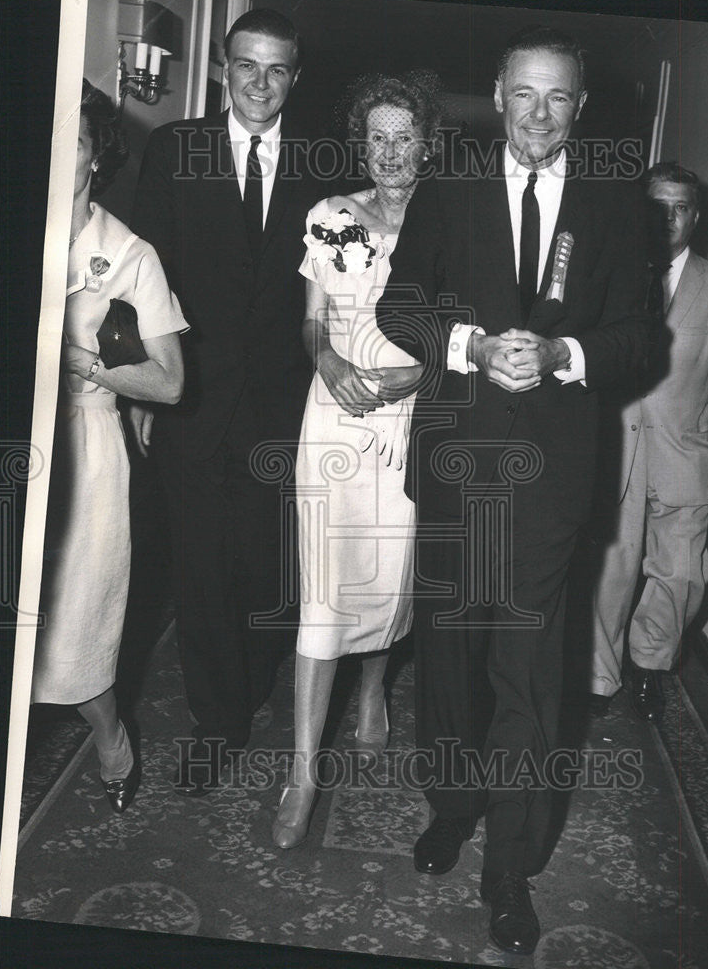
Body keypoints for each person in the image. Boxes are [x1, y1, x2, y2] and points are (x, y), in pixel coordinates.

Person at [376, 27, 648, 954]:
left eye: (558, 99)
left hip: (552, 481)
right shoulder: (447, 188)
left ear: (581, 107)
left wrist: (567, 353)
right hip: (456, 464)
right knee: (450, 658)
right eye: (524, 95)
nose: (540, 115)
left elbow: (641, 338)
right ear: (497, 95)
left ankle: (510, 865)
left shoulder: (618, 206)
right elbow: (400, 302)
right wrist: (471, 348)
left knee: (529, 675)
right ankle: (453, 806)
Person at [131, 9, 320, 795]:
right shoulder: (177, 148)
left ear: (295, 79)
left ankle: (254, 675)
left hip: (285, 404)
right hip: (193, 398)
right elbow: (140, 274)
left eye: (277, 70)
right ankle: (219, 722)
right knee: (202, 566)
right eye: (247, 65)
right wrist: (143, 385)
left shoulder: (323, 160)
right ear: (221, 67)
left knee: (264, 565)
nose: (260, 83)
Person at [271, 74, 439, 848]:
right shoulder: (333, 217)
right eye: (378, 137)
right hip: (333, 417)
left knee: (386, 573)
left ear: (428, 144)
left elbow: (462, 332)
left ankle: (374, 685)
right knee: (325, 582)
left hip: (407, 422)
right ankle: (302, 771)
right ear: (360, 143)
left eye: (405, 136)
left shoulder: (452, 220)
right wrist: (329, 364)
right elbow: (313, 322)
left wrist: (417, 373)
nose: (391, 151)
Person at [31, 79, 187, 814]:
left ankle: (111, 737)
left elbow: (170, 383)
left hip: (83, 448)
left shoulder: (128, 253)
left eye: (77, 142)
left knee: (72, 622)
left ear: (96, 156)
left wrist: (85, 362)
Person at [588, 163, 708, 722]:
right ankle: (598, 676)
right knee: (611, 571)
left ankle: (650, 666)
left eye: (680, 207)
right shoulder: (606, 273)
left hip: (686, 454)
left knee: (681, 576)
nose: (668, 218)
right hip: (612, 452)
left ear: (696, 216)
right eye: (657, 206)